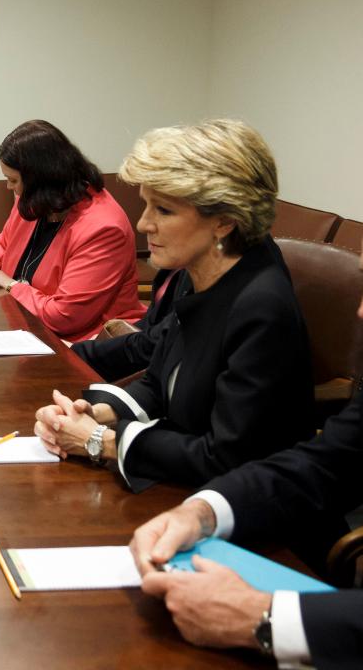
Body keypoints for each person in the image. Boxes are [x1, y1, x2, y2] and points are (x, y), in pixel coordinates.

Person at [34, 120, 316, 492]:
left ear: (225, 221)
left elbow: (225, 457)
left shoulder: (262, 307)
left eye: (163, 210)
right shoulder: (197, 270)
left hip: (253, 517)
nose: (143, 223)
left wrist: (99, 442)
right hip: (184, 483)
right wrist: (93, 414)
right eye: (147, 205)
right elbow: (158, 382)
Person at [129, 239, 363, 668]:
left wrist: (268, 619)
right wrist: (202, 511)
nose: (361, 312)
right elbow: (324, 462)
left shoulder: (259, 298)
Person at [0, 120, 145, 341]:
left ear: (41, 179)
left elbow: (63, 317)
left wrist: (10, 285)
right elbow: (5, 241)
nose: (9, 187)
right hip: (30, 328)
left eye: (13, 180)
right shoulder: (37, 198)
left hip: (85, 345)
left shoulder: (103, 229)